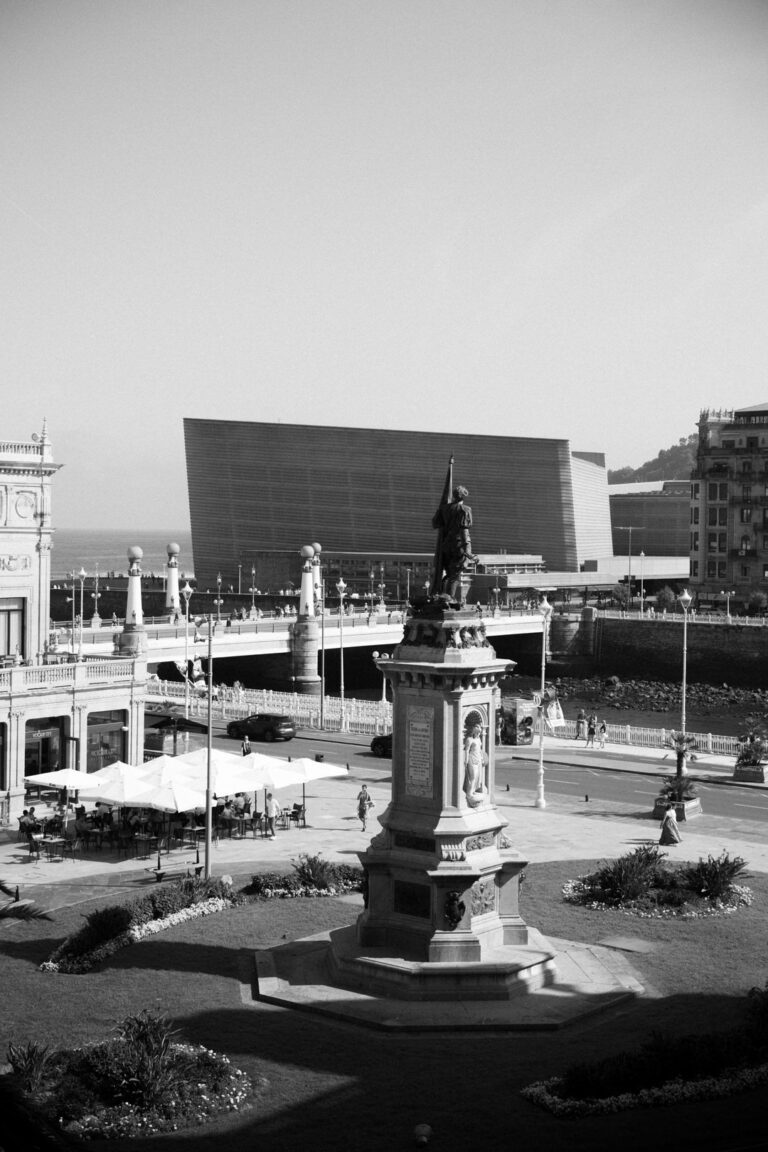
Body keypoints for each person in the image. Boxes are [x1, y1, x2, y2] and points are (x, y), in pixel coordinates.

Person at [463, 723, 486, 807]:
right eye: (477, 730)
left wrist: (482, 758)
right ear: (474, 730)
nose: (479, 732)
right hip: (472, 759)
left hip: (478, 760)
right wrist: (466, 760)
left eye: (479, 731)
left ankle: (472, 791)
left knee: (477, 778)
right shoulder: (469, 739)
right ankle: (469, 793)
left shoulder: (479, 740)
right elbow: (467, 750)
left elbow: (480, 750)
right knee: (472, 777)